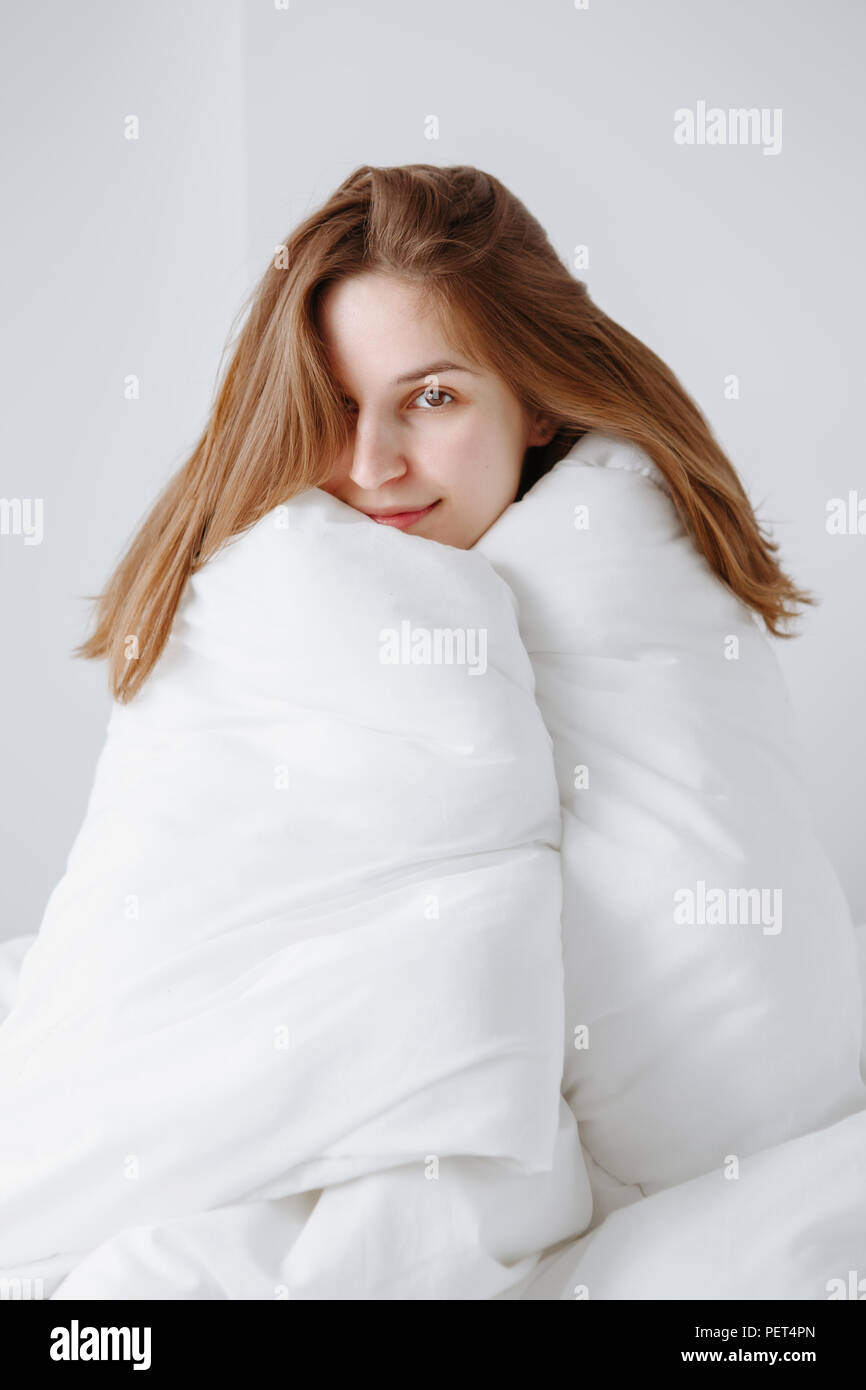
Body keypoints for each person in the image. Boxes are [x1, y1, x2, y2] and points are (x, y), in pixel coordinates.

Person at [75, 162, 811, 698]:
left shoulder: (636, 593)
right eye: (334, 406)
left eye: (432, 397)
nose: (371, 466)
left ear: (539, 400)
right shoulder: (234, 620)